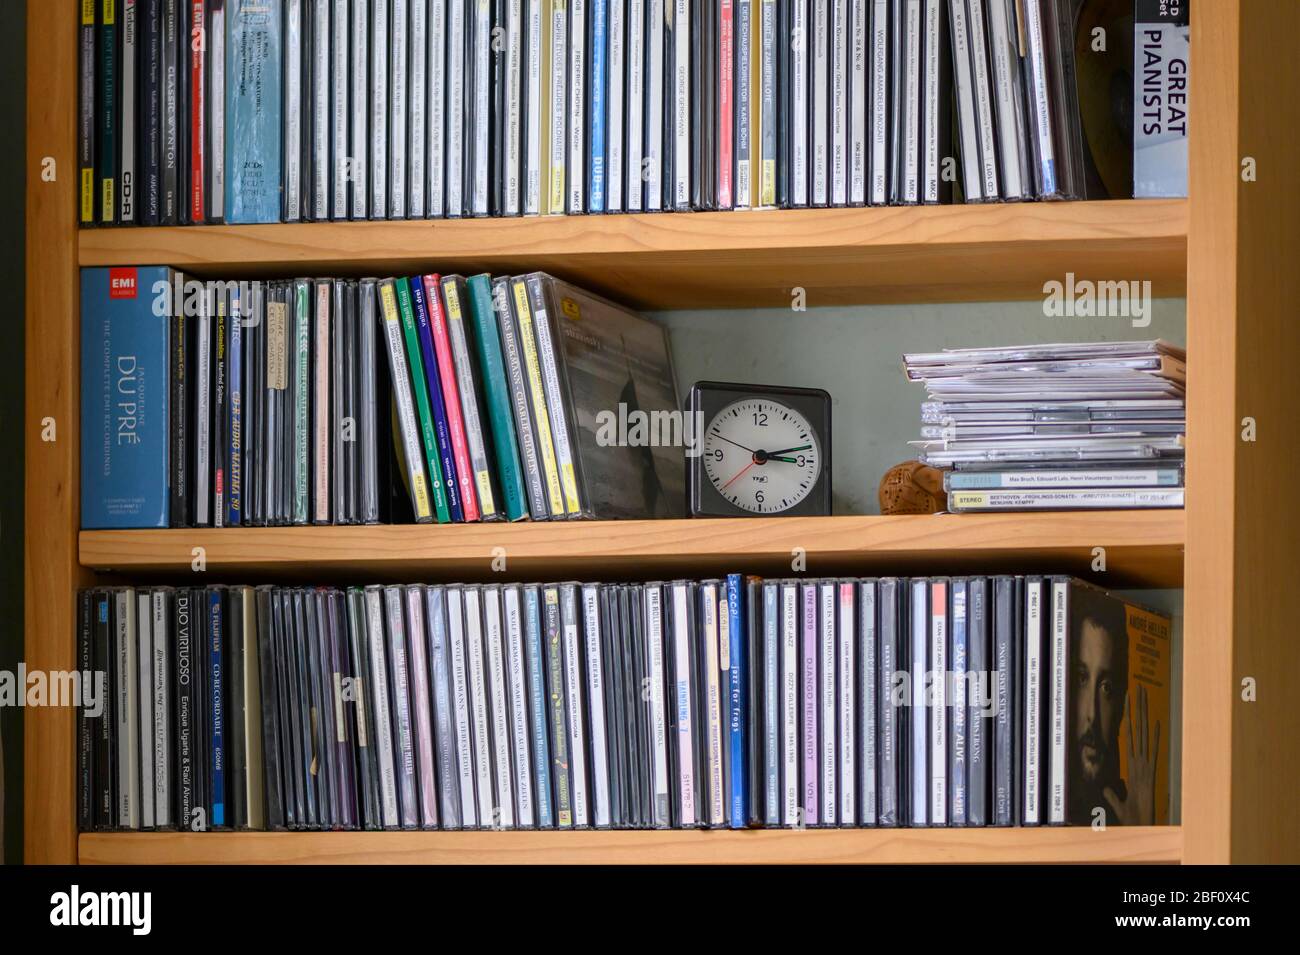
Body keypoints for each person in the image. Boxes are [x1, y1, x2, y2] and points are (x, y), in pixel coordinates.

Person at [1069, 590, 1160, 826]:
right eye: (1081, 678)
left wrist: (1141, 833)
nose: (1092, 715)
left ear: (1121, 703)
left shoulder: (1125, 813)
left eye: (1106, 687)